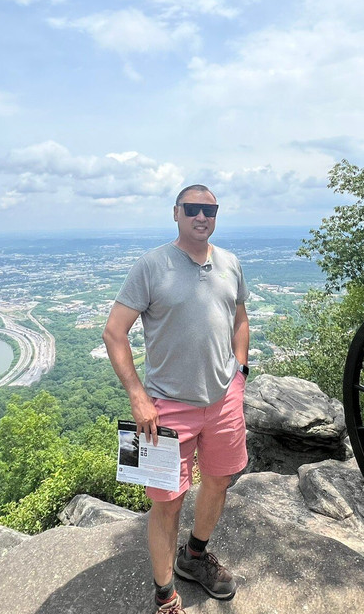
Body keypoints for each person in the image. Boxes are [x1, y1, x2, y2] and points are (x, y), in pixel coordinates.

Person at [102, 184, 250, 614]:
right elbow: (114, 332)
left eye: (210, 209)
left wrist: (239, 373)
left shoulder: (231, 263)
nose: (201, 216)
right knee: (167, 503)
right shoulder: (151, 266)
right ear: (176, 213)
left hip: (223, 401)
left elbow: (240, 319)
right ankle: (165, 594)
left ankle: (195, 557)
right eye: (193, 209)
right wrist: (137, 396)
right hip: (165, 407)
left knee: (220, 481)